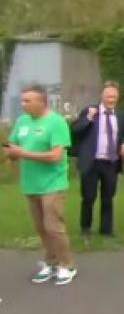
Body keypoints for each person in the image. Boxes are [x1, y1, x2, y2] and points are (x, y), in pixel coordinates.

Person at [3, 84, 77, 286]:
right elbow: (12, 147)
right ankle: (51, 262)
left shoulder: (56, 122)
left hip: (53, 183)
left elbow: (56, 156)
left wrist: (23, 154)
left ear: (42, 102)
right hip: (31, 184)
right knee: (41, 228)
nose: (23, 104)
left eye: (28, 100)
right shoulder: (22, 121)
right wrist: (8, 153)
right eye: (22, 100)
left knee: (53, 226)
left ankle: (67, 265)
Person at [71, 80, 124, 238]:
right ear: (102, 96)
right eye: (108, 96)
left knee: (108, 197)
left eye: (113, 97)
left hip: (111, 163)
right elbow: (76, 130)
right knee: (89, 197)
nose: (110, 100)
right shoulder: (91, 111)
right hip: (92, 162)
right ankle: (86, 229)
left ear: (118, 97)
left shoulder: (121, 116)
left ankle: (106, 231)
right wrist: (89, 119)